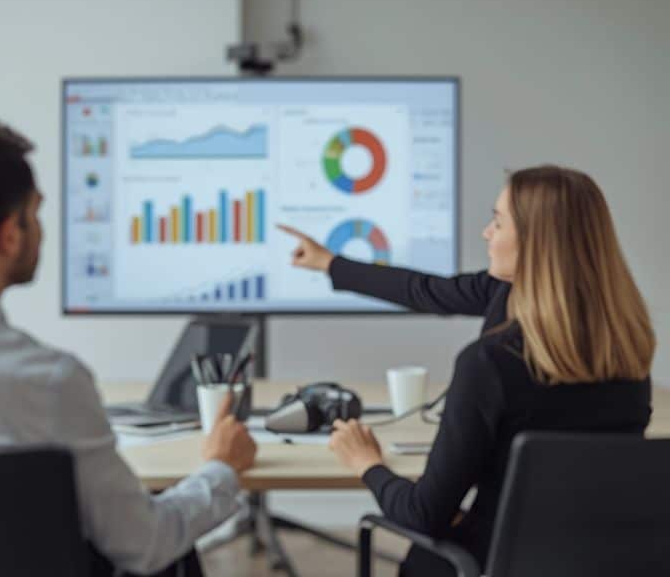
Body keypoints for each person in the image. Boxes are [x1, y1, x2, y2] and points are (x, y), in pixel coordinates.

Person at [0, 117, 257, 577]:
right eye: (33, 213)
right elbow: (145, 545)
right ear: (8, 235)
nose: (39, 228)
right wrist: (220, 470)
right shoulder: (49, 381)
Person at [279, 165, 655, 576]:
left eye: (498, 221)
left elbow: (422, 516)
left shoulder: (488, 363)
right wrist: (331, 263)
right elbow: (425, 290)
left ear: (536, 243)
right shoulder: (628, 356)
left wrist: (367, 463)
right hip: (598, 563)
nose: (486, 233)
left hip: (489, 563)